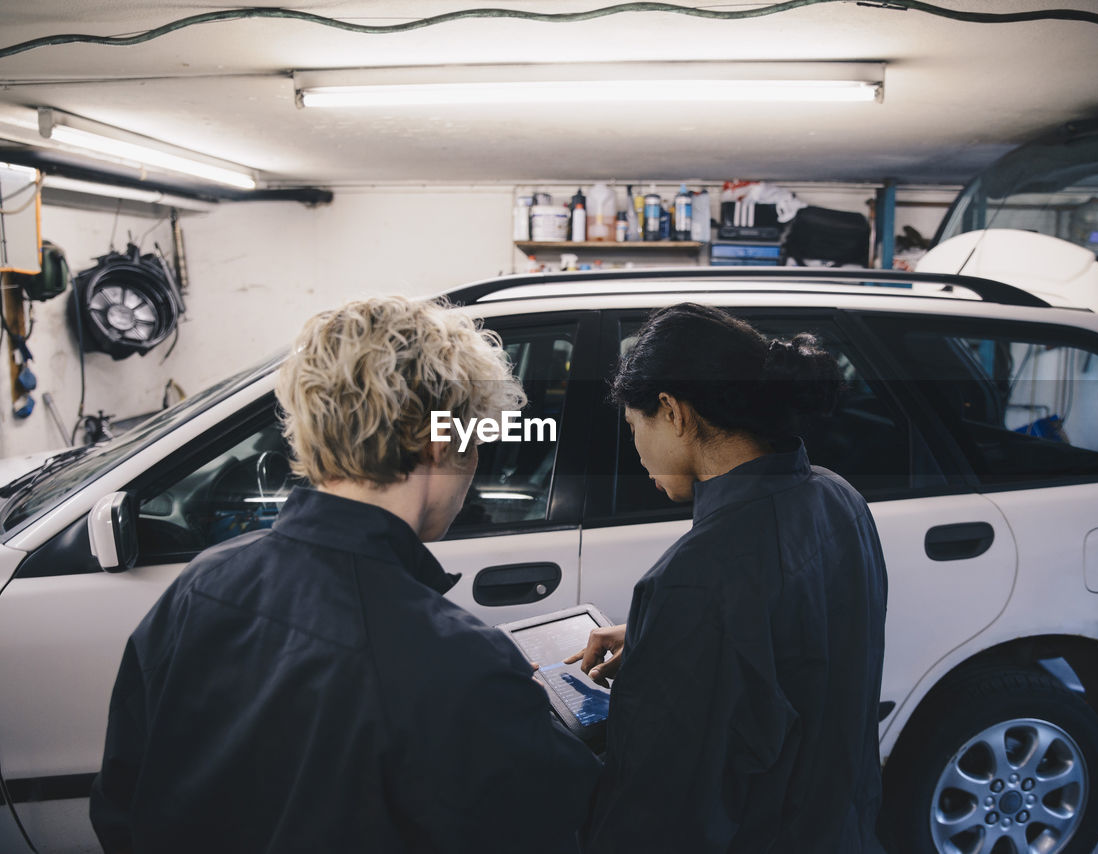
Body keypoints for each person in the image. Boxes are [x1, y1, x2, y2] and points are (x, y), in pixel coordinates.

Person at [90, 296, 600, 854]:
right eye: (475, 440)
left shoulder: (200, 586)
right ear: (438, 440)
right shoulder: (461, 663)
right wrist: (516, 705)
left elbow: (120, 805)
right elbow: (551, 819)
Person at [570, 303, 888, 853]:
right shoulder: (839, 498)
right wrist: (663, 637)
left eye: (634, 426)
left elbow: (661, 812)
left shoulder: (698, 576)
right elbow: (800, 649)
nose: (638, 451)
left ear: (672, 411)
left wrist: (679, 628)